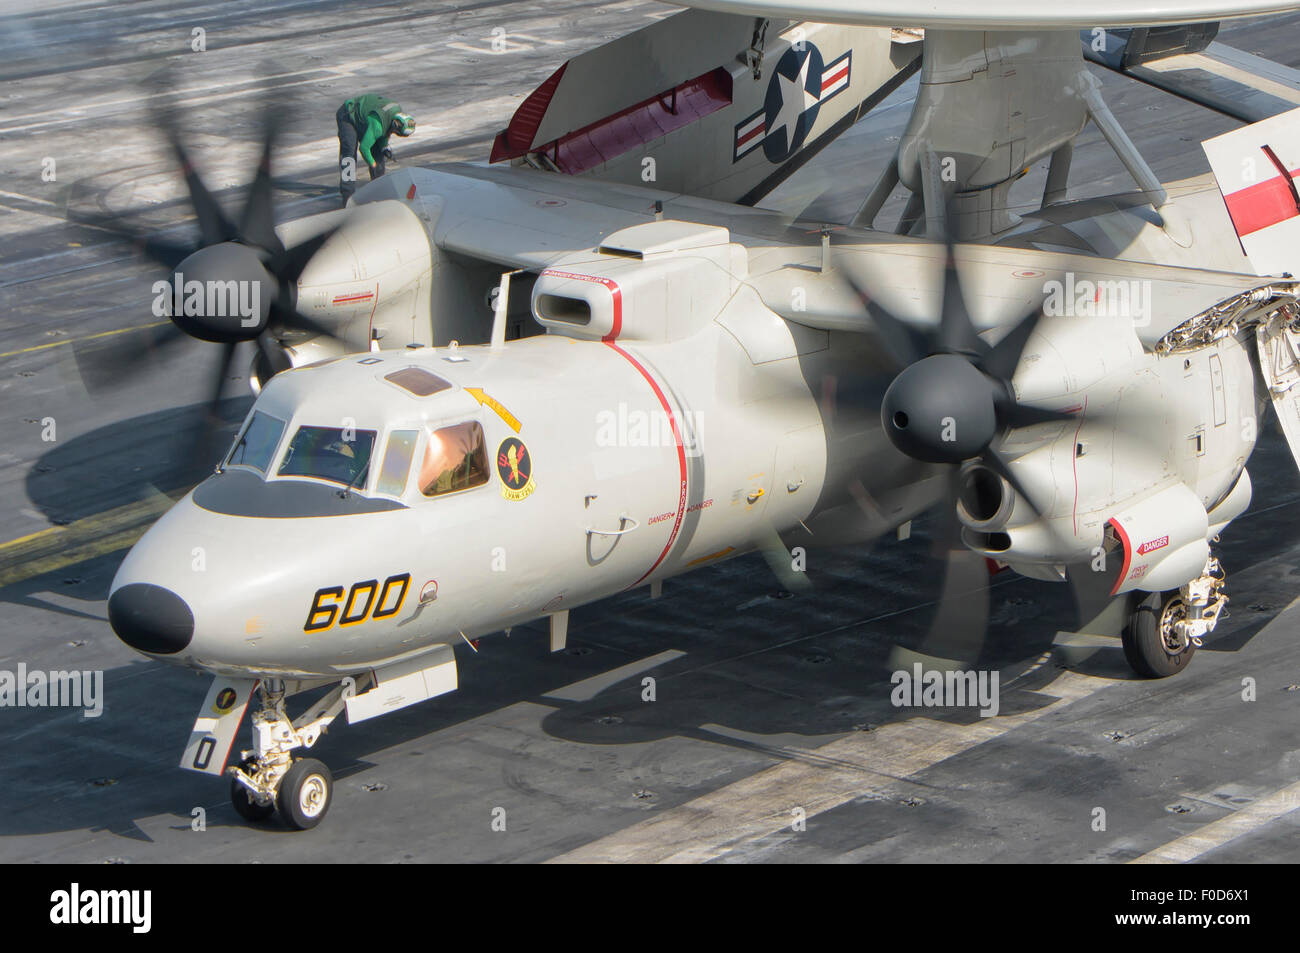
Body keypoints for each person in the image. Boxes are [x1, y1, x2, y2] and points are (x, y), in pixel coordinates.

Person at [336, 95, 416, 205]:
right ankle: (347, 195)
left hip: (367, 119)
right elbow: (364, 148)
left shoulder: (395, 115)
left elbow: (386, 131)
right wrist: (372, 164)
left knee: (379, 158)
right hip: (349, 116)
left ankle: (378, 194)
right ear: (395, 125)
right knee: (349, 155)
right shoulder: (378, 126)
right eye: (398, 133)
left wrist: (384, 147)